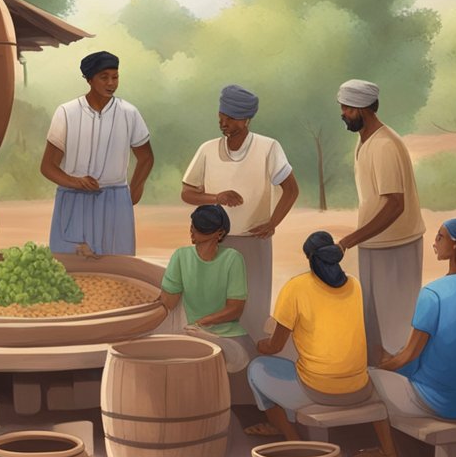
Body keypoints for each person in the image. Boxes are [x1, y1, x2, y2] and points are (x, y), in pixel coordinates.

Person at [244, 232, 400, 457]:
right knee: (313, 363)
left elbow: (274, 346)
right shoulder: (355, 285)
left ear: (309, 258)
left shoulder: (296, 287)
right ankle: (389, 454)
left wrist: (260, 345)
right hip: (360, 387)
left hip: (319, 392)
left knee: (257, 368)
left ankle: (292, 440)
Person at [364, 211, 456, 455]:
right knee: (391, 358)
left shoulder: (432, 293)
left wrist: (380, 368)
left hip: (441, 402)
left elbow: (408, 356)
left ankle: (388, 455)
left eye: (440, 237)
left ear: (454, 244)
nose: (434, 243)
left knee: (370, 375)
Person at [181, 85, 299, 339]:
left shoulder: (268, 147)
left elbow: (291, 190)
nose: (223, 122)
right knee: (213, 309)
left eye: (231, 117)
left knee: (254, 309)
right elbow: (187, 193)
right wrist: (217, 197)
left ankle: (252, 362)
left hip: (254, 242)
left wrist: (272, 223)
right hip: (214, 242)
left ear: (246, 120)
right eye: (222, 114)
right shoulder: (207, 149)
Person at [335, 79, 426, 367]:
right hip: (374, 244)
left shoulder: (385, 145)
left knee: (396, 325)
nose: (343, 113)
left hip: (396, 245)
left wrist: (349, 240)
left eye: (347, 108)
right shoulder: (364, 141)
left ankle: (402, 387)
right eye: (343, 107)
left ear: (364, 109)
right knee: (373, 321)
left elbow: (395, 205)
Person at [41, 50, 154, 256]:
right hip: (73, 200)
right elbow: (47, 167)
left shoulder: (129, 113)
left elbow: (146, 158)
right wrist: (75, 182)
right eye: (104, 77)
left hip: (115, 201)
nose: (111, 83)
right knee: (71, 266)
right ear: (89, 79)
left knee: (118, 265)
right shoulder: (67, 112)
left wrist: (134, 190)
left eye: (115, 77)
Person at [156, 205, 250, 371]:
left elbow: (235, 309)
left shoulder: (233, 258)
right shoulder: (181, 256)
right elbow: (169, 302)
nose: (193, 231)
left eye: (201, 229)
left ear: (219, 233)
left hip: (226, 334)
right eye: (193, 226)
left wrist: (202, 323)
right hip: (192, 332)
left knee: (233, 359)